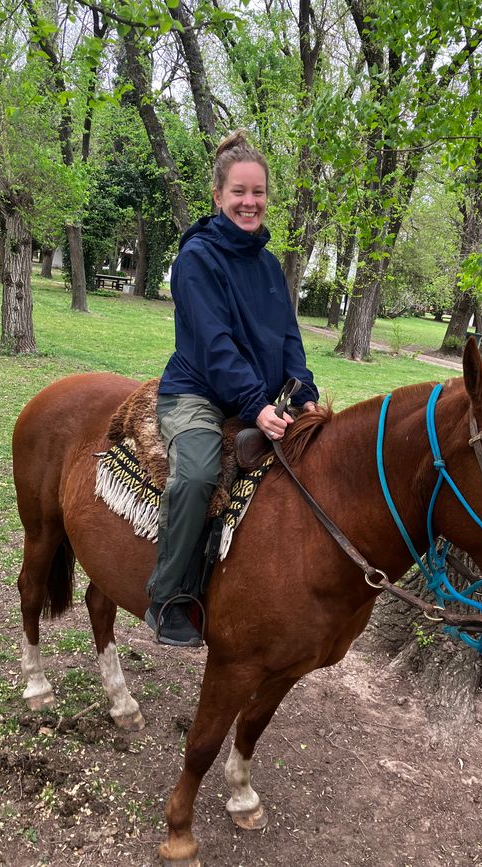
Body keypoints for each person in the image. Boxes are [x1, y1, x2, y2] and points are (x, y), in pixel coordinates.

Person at [145, 130, 318, 647]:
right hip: (197, 393)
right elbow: (213, 345)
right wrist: (255, 405)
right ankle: (168, 595)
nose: (250, 202)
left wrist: (303, 389)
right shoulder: (197, 259)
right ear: (218, 197)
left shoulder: (268, 265)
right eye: (239, 192)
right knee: (198, 475)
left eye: (258, 192)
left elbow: (288, 336)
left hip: (260, 396)